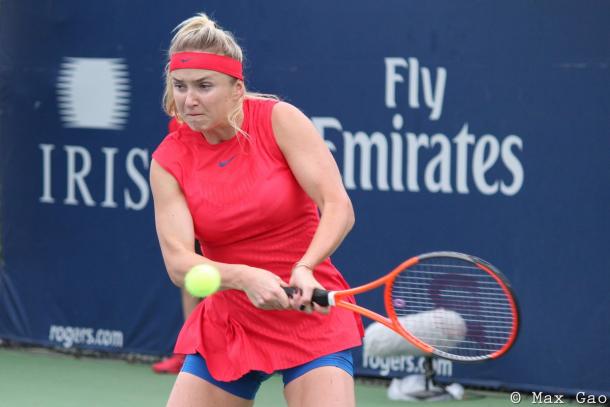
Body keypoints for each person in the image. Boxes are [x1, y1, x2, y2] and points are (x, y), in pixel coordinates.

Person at [150, 12, 363, 407]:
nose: (189, 99)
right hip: (231, 323)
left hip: (309, 318)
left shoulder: (279, 120)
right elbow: (179, 263)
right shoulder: (168, 161)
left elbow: (338, 206)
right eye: (180, 86)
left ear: (236, 88)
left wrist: (305, 267)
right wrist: (244, 277)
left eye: (204, 86)